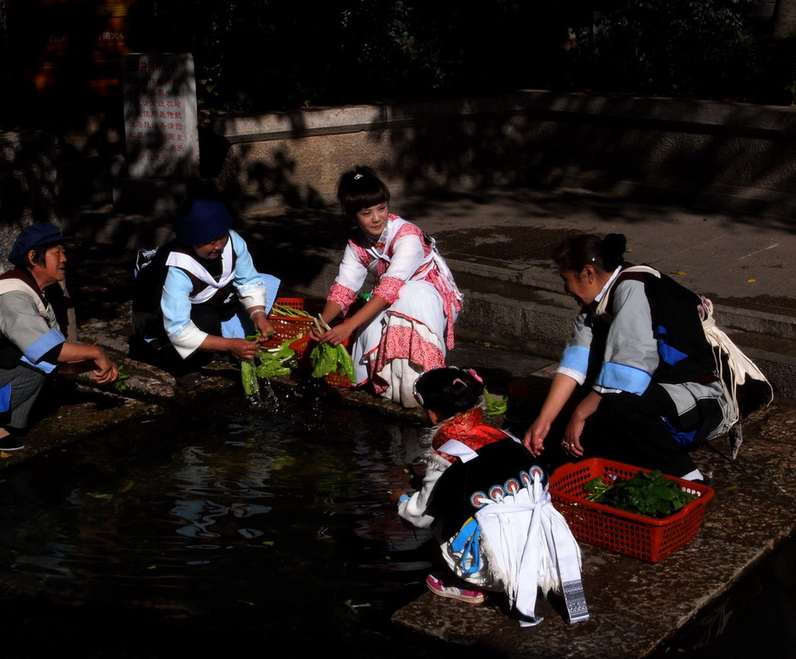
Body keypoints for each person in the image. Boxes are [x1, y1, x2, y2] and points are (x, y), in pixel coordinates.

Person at [523, 233, 726, 481]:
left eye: (566, 279)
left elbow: (627, 372)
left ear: (588, 273)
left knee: (619, 401)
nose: (566, 289)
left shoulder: (633, 288)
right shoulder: (594, 306)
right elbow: (575, 363)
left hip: (695, 395)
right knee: (590, 411)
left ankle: (689, 476)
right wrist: (543, 421)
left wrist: (578, 414)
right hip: (657, 389)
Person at [394, 367, 587, 626]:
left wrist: (400, 499)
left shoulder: (447, 454)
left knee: (439, 514)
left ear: (431, 413)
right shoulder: (507, 438)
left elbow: (420, 516)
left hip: (503, 571)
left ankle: (469, 584)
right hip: (549, 556)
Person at [0, 222, 118, 452]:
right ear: (33, 257)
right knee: (37, 359)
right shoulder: (12, 296)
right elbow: (48, 351)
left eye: (64, 252)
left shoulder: (38, 296)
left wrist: (91, 366)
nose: (64, 259)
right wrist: (97, 353)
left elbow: (59, 358)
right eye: (57, 253)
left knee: (40, 360)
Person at [310, 166, 462, 406]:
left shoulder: (407, 236)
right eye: (366, 213)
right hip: (391, 298)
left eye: (381, 208)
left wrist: (348, 326)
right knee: (371, 328)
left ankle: (425, 386)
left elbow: (390, 288)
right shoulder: (356, 244)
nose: (377, 217)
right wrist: (322, 322)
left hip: (427, 299)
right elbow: (344, 289)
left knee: (409, 295)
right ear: (353, 217)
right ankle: (394, 389)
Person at [130, 197, 276, 387]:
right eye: (209, 242)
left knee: (266, 287)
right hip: (165, 315)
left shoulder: (232, 242)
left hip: (212, 298)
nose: (218, 246)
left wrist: (258, 315)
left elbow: (249, 280)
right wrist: (229, 345)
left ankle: (220, 342)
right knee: (206, 320)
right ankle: (179, 363)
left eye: (221, 238)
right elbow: (178, 329)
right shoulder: (176, 269)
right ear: (191, 241)